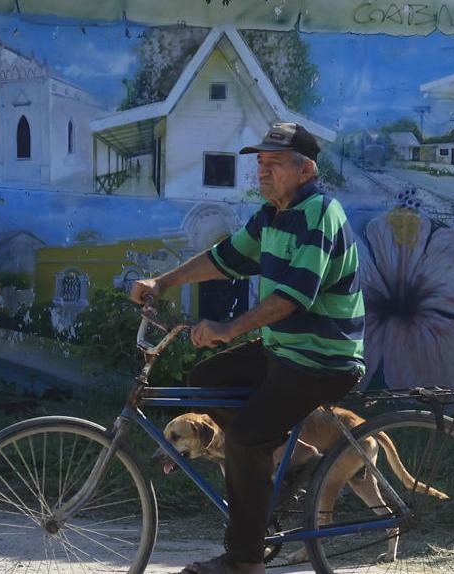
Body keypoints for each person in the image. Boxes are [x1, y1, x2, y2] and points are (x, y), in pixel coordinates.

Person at [128, 122, 364, 574]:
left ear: (306, 169)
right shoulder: (272, 215)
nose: (263, 172)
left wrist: (230, 328)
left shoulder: (319, 213)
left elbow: (295, 296)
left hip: (323, 358)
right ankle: (287, 463)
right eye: (260, 163)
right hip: (286, 351)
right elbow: (226, 258)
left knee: (245, 438)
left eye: (274, 164)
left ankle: (244, 560)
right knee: (206, 381)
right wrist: (164, 281)